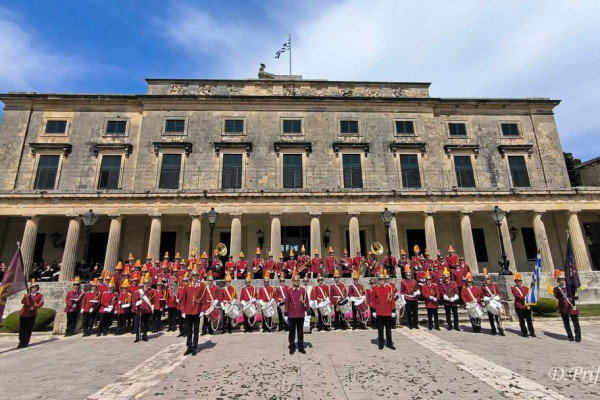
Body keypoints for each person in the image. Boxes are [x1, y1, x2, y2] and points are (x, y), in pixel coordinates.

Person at [180, 268, 205, 355]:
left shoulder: (202, 286)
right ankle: (189, 346)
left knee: (196, 330)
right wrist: (183, 310)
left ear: (198, 276)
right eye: (193, 275)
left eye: (196, 275)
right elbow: (184, 299)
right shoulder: (187, 286)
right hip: (188, 311)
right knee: (189, 330)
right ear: (191, 276)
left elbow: (204, 298)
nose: (195, 277)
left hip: (197, 310)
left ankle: (195, 347)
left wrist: (203, 310)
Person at [285, 271, 310, 354]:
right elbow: (287, 302)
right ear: (292, 281)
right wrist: (286, 313)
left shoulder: (303, 290)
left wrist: (308, 312)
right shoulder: (289, 290)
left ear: (299, 281)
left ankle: (301, 347)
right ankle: (292, 347)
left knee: (300, 332)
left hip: (300, 314)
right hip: (292, 314)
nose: (296, 282)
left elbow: (306, 301)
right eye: (295, 280)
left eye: (297, 280)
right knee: (291, 332)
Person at [553, 269, 581, 342]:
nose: (561, 281)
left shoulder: (570, 287)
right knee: (566, 323)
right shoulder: (556, 289)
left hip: (571, 306)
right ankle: (570, 336)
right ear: (558, 281)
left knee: (576, 322)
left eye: (563, 280)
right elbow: (556, 296)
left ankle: (578, 337)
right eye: (560, 280)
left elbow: (575, 290)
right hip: (563, 307)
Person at [18, 280, 44, 348]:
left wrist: (35, 307)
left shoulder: (39, 295)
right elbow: (22, 302)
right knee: (22, 329)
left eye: (35, 287)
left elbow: (41, 303)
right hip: (24, 313)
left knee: (28, 329)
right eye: (32, 287)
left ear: (37, 288)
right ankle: (21, 342)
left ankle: (26, 342)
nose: (34, 289)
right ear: (30, 288)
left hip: (32, 314)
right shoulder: (26, 295)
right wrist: (25, 297)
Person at [373, 273, 395, 350]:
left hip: (388, 311)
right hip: (379, 311)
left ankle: (389, 344)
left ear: (384, 280)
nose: (381, 280)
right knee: (380, 329)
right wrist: (374, 310)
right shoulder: (375, 288)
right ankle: (381, 344)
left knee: (388, 329)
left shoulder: (389, 287)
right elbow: (373, 300)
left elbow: (392, 300)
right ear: (378, 280)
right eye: (380, 279)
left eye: (382, 279)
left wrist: (393, 310)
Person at [132, 273, 155, 343]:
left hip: (147, 310)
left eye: (148, 283)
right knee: (137, 324)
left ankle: (144, 335)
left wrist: (152, 309)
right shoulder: (138, 291)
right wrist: (138, 303)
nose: (147, 284)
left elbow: (152, 301)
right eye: (145, 283)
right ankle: (137, 336)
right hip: (139, 310)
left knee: (145, 324)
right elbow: (134, 300)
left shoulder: (152, 291)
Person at [480, 270, 504, 336]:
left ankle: (500, 330)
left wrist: (496, 296)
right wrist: (487, 298)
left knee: (498, 317)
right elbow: (481, 295)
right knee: (491, 318)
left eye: (488, 279)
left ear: (490, 279)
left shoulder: (494, 285)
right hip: (489, 303)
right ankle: (493, 330)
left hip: (495, 302)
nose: (487, 280)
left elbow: (498, 293)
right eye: (486, 279)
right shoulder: (483, 287)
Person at [511, 272, 535, 338]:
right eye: (516, 281)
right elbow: (517, 295)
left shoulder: (526, 288)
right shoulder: (513, 288)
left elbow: (529, 295)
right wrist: (526, 298)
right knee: (521, 320)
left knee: (529, 320)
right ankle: (524, 333)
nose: (517, 282)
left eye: (519, 281)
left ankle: (532, 332)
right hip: (519, 306)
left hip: (526, 306)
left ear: (521, 281)